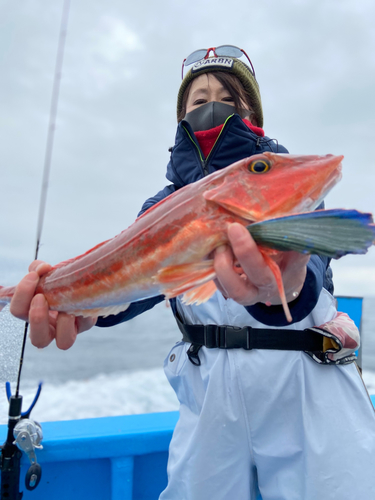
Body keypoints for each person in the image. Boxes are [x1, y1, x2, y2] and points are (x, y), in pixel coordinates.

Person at [10, 46, 375, 499]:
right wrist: (86, 308)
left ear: (252, 114)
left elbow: (313, 266)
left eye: (228, 97)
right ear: (181, 116)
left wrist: (292, 285)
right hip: (209, 392)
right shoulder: (160, 207)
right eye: (198, 100)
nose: (212, 106)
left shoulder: (280, 181)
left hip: (307, 379)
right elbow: (142, 283)